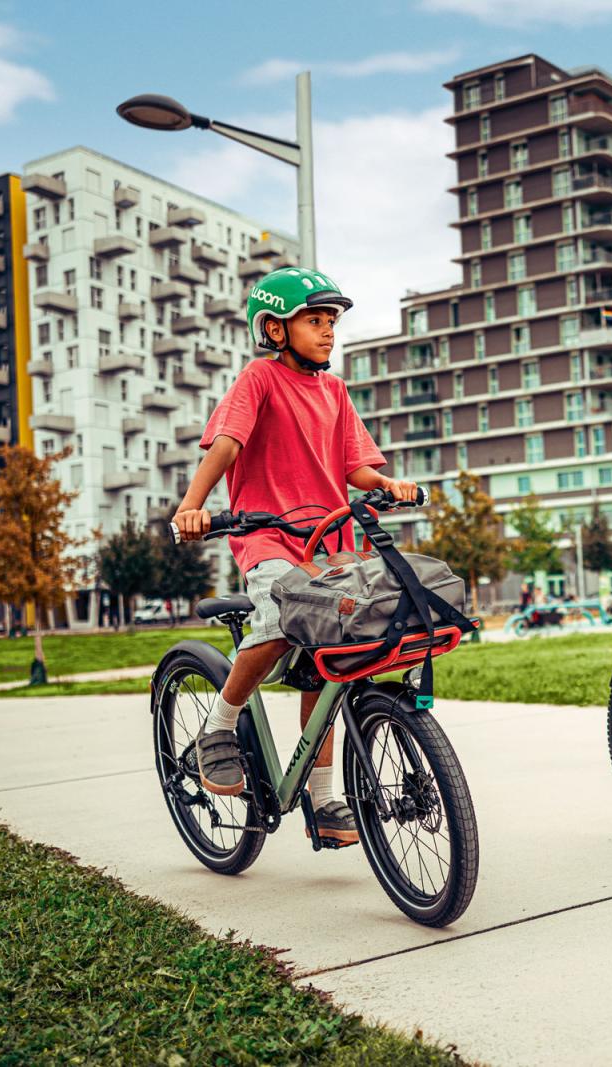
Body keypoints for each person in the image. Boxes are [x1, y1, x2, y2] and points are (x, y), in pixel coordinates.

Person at [171, 267, 417, 848]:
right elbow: (227, 444)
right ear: (276, 329)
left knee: (335, 655)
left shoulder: (334, 391)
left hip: (330, 541)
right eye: (315, 321)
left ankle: (324, 794)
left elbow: (354, 467)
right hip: (268, 538)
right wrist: (191, 505)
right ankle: (221, 725)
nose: (328, 331)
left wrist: (387, 484)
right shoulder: (259, 378)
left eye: (332, 321)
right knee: (286, 617)